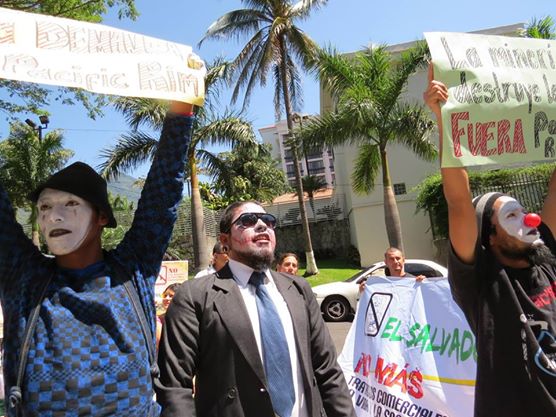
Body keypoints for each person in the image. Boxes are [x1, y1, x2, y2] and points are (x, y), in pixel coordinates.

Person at [0, 98, 196, 416]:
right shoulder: (24, 278)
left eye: (70, 205)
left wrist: (182, 112)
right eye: (45, 208)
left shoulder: (133, 270)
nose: (54, 217)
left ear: (102, 216)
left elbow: (164, 190)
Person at [424, 63, 556, 416]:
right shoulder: (482, 284)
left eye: (523, 209)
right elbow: (458, 202)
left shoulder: (547, 259)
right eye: (511, 215)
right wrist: (445, 121)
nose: (529, 218)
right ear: (491, 237)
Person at [156, 201, 356, 417]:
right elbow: (174, 386)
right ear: (225, 241)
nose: (262, 225)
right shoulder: (195, 295)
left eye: (269, 221)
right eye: (248, 220)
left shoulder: (299, 289)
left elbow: (328, 370)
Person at [359, 247, 425, 293]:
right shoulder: (381, 284)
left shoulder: (414, 281)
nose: (395, 261)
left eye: (398, 258)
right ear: (386, 262)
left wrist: (424, 285)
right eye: (391, 259)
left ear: (403, 260)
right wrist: (363, 292)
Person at [156, 283, 180, 349]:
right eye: (165, 295)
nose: (167, 298)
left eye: (171, 296)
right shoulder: (158, 320)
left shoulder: (188, 318)